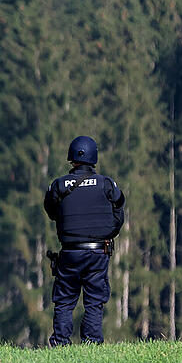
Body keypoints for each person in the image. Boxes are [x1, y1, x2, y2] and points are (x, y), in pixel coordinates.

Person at [43, 136, 125, 345]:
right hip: (98, 253)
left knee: (64, 301)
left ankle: (60, 343)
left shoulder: (59, 184)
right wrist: (106, 235)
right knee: (94, 301)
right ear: (94, 158)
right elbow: (119, 209)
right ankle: (92, 343)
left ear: (72, 160)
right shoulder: (107, 184)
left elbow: (51, 211)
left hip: (70, 253)